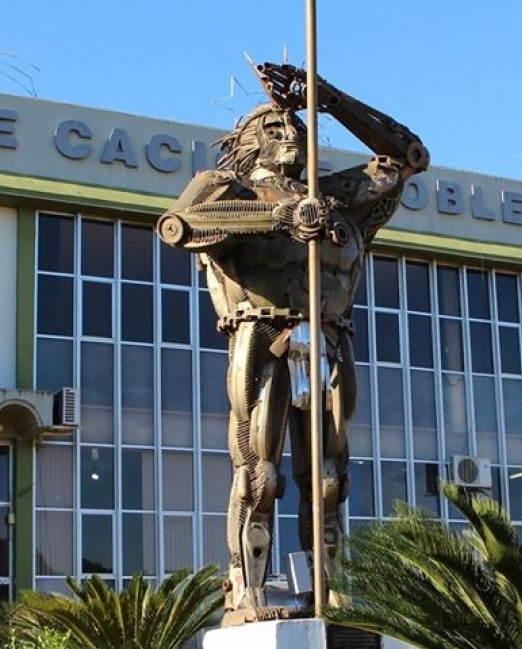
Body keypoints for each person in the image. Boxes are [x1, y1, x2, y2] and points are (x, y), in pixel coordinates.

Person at [156, 62, 428, 624]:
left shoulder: (338, 200)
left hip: (330, 341)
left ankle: (328, 590)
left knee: (329, 479)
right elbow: (179, 225)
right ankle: (247, 590)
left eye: (297, 129)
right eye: (275, 128)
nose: (290, 137)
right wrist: (278, 216)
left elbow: (407, 156)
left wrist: (329, 99)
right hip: (263, 334)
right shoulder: (229, 189)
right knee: (259, 472)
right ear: (250, 141)